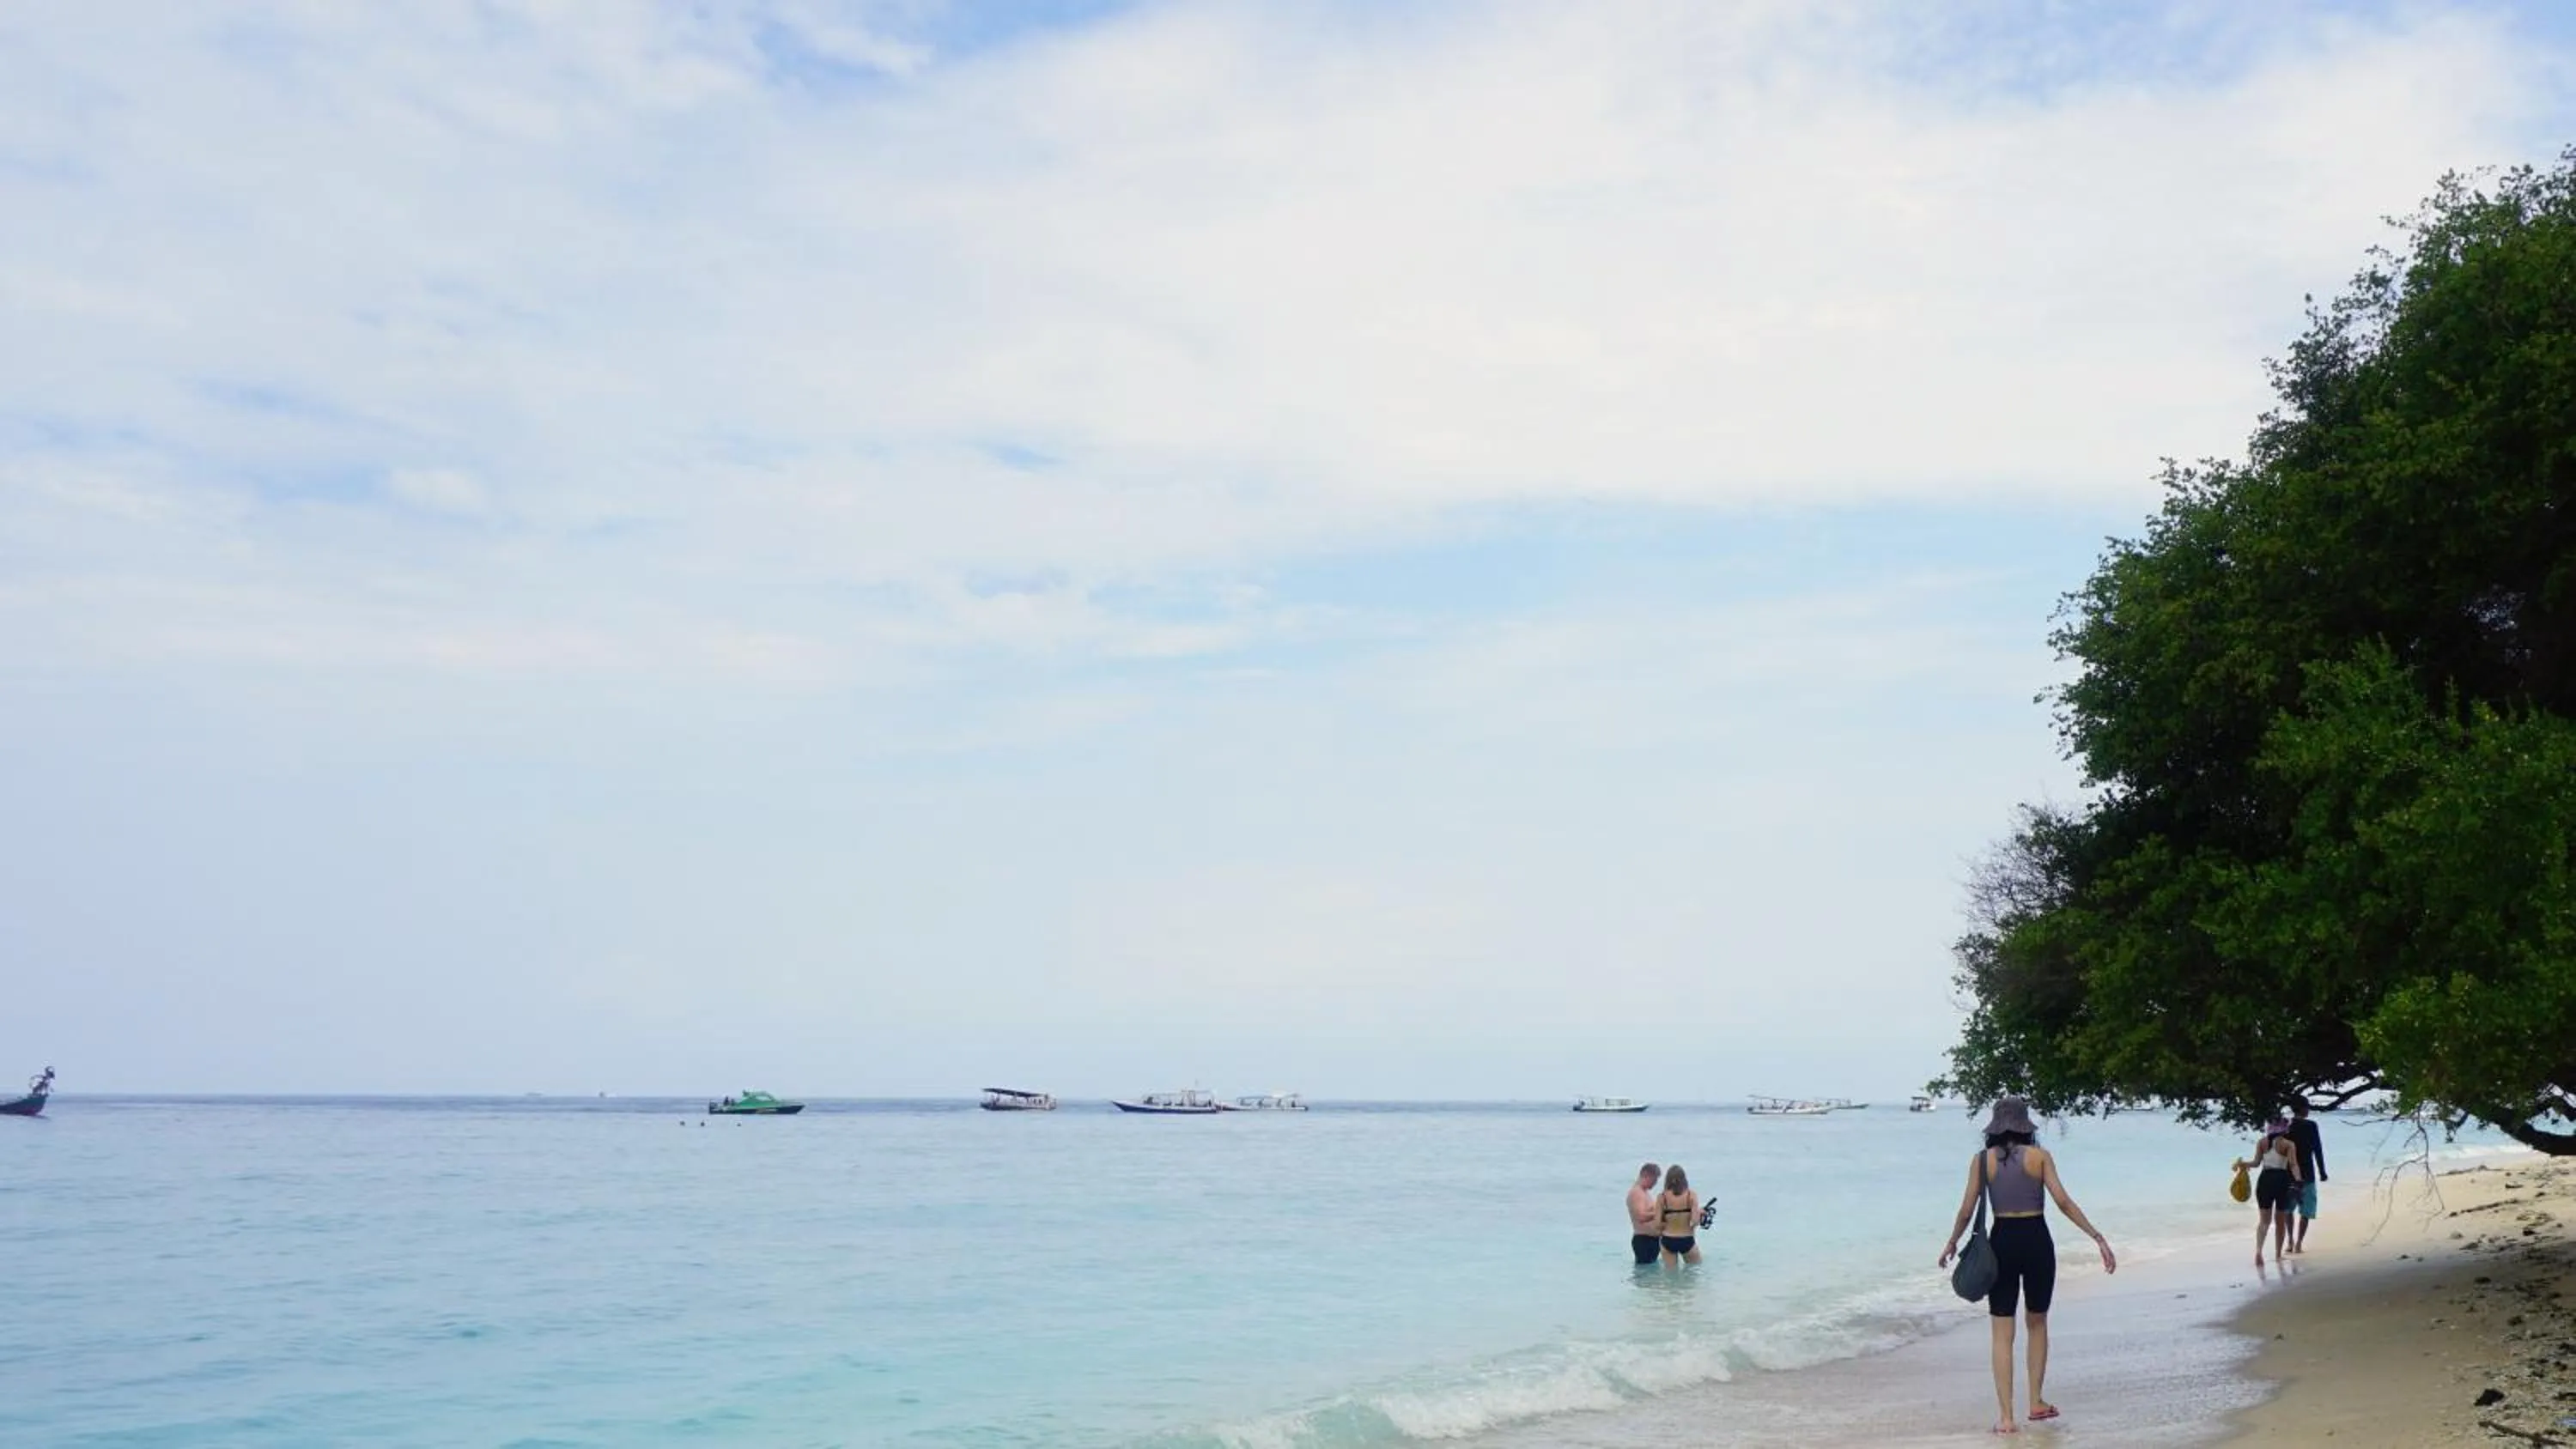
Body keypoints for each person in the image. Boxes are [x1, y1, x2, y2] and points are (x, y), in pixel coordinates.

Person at [1937, 1097, 2117, 1436]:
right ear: (2025, 1126)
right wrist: (2097, 1236)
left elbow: (1965, 1210)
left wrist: (1951, 1243)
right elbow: (2063, 1202)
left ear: (1994, 1127)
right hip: (2036, 1240)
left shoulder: (1981, 1162)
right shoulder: (2040, 1157)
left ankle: (2006, 1418)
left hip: (2001, 1240)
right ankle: (2036, 1402)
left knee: (2002, 1333)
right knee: (2037, 1323)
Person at [2234, 1122, 2303, 1266]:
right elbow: (2293, 1164)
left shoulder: (2262, 1142)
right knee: (2280, 1222)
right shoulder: (2288, 1144)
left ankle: (2259, 1251)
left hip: (2265, 1180)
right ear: (2284, 1129)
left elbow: (2256, 1163)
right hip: (2282, 1180)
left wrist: (2243, 1164)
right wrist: (2298, 1180)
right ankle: (2278, 1255)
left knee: (2264, 1221)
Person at [2285, 1101, 2328, 1253]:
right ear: (2303, 1109)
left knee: (2288, 1209)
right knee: (2306, 1211)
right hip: (2307, 1174)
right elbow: (2318, 1149)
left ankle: (2289, 1240)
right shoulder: (2311, 1126)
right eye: (2308, 1107)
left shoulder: (2286, 1125)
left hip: (2287, 1173)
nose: (2309, 1110)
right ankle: (2298, 1244)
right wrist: (2322, 1170)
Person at [1657, 1164, 1703, 1267]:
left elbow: (1657, 1224)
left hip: (1668, 1239)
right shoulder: (1691, 1195)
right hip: (1687, 1239)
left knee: (1670, 1277)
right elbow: (1695, 1221)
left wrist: (1669, 1223)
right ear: (1684, 1179)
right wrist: (1699, 1214)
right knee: (1693, 1274)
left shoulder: (1662, 1197)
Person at [1626, 1162, 1664, 1266]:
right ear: (1646, 1175)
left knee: (1651, 1278)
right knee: (1644, 1278)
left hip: (1652, 1240)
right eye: (1654, 1180)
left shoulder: (1644, 1193)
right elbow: (1640, 1217)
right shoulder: (1636, 1193)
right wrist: (1660, 1211)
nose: (1655, 1183)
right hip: (1644, 1240)